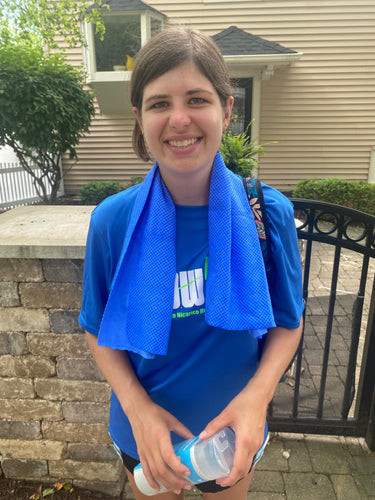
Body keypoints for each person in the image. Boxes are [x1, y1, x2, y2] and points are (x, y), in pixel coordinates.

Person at [79, 26, 304, 500]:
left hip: (231, 437)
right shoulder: (112, 221)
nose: (179, 119)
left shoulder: (269, 214)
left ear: (227, 109)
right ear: (139, 118)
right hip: (146, 438)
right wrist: (138, 409)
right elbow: (97, 329)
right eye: (160, 104)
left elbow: (288, 322)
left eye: (197, 99)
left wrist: (256, 399)